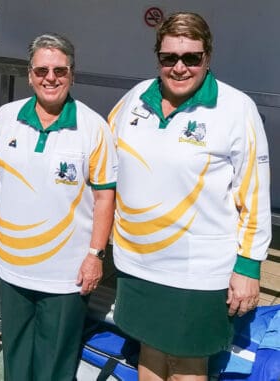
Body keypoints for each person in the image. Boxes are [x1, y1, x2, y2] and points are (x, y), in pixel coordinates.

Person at [107, 12, 271, 380]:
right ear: (158, 59)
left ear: (207, 58)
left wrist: (248, 265)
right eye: (169, 58)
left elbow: (255, 192)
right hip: (137, 262)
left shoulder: (235, 108)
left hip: (196, 270)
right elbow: (101, 158)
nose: (179, 68)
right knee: (147, 353)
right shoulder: (135, 98)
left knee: (187, 364)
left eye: (191, 58)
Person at [0, 33, 117, 380]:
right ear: (29, 74)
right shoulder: (5, 118)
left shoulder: (94, 128)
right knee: (17, 356)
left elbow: (105, 198)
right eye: (42, 70)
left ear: (72, 74)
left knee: (55, 365)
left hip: (66, 274)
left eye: (60, 70)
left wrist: (95, 256)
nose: (50, 78)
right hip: (11, 265)